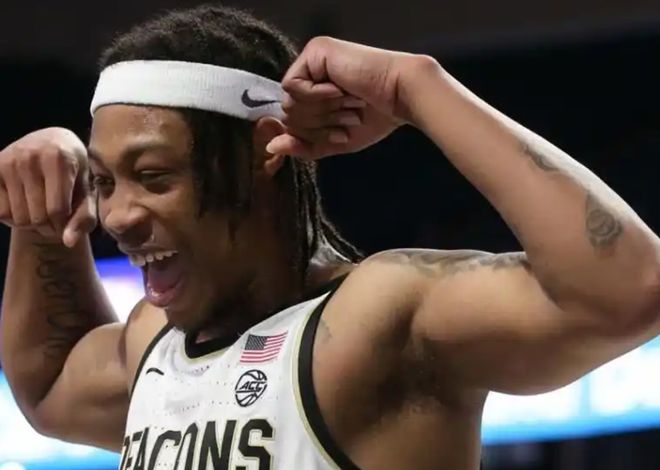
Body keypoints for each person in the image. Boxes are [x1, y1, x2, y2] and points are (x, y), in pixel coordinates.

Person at [1, 4, 659, 470]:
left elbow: (629, 288)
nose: (117, 216)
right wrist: (40, 211)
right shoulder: (155, 338)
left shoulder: (376, 317)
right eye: (104, 181)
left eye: (153, 176)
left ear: (261, 152)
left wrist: (413, 88)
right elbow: (49, 384)